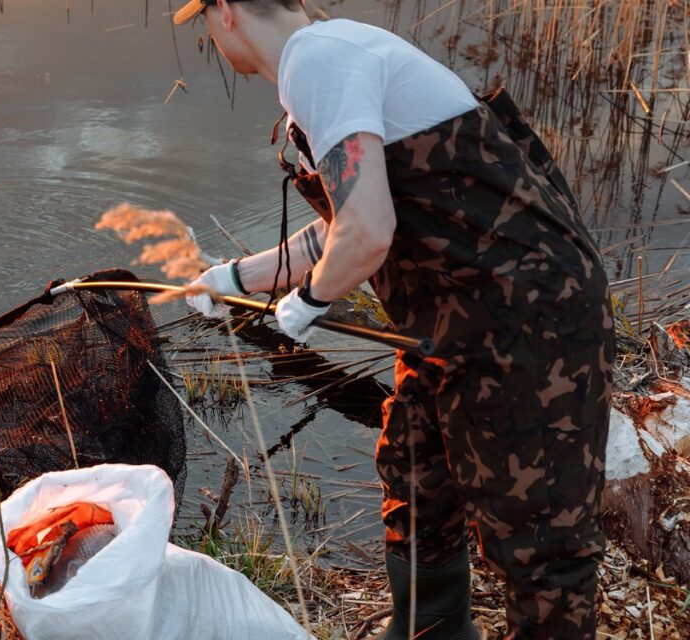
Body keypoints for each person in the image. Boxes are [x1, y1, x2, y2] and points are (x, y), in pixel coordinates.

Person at [173, 1, 614, 637]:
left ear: (227, 11)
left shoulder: (319, 62)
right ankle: (430, 631)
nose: (211, 38)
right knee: (414, 471)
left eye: (204, 22)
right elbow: (343, 225)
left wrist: (311, 302)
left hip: (531, 320)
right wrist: (235, 278)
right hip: (455, 319)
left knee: (540, 541)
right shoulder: (329, 57)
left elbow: (368, 232)